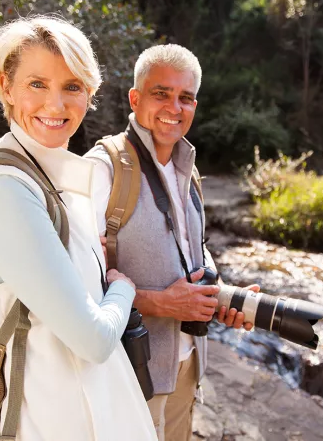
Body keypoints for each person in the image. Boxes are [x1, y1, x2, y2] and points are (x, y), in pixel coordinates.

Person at [0, 16, 157, 441]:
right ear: (5, 86)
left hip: (92, 414)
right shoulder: (6, 191)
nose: (56, 105)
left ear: (89, 93)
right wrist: (123, 288)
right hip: (56, 423)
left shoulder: (50, 181)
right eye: (37, 84)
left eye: (72, 86)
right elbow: (94, 340)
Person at [85, 44, 260, 441]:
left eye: (185, 98)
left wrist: (218, 296)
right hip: (131, 372)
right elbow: (75, 284)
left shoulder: (188, 168)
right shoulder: (103, 170)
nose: (174, 107)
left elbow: (193, 251)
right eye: (161, 93)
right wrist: (160, 303)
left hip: (187, 366)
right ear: (135, 98)